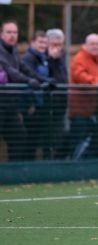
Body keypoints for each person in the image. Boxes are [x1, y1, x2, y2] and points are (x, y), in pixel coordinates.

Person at [0, 20, 55, 161]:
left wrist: (44, 80)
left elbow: (25, 69)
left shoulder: (14, 52)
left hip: (9, 106)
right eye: (8, 32)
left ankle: (12, 174)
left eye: (15, 32)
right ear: (1, 34)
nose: (12, 35)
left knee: (19, 136)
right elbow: (10, 71)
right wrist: (28, 81)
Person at [68, 33, 98, 160]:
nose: (95, 47)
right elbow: (79, 76)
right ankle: (75, 166)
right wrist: (96, 82)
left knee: (96, 139)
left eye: (97, 44)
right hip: (80, 110)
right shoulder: (79, 58)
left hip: (96, 109)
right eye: (92, 44)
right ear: (86, 45)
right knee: (79, 140)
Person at [21, 30, 50, 160]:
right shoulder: (28, 58)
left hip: (41, 103)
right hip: (31, 104)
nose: (42, 45)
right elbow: (29, 77)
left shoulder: (43, 58)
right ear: (32, 42)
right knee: (30, 139)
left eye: (45, 42)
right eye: (40, 42)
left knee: (38, 138)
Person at [46, 28, 69, 159]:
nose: (58, 48)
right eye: (55, 45)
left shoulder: (62, 56)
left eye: (60, 45)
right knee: (48, 139)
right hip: (47, 106)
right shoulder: (44, 57)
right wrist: (51, 59)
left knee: (59, 138)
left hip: (60, 104)